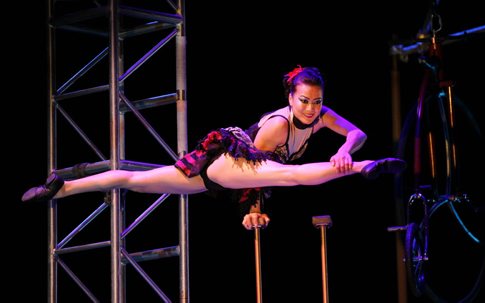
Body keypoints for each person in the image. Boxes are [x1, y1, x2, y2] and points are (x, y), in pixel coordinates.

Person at [22, 65, 406, 230]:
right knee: (293, 177)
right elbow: (259, 174)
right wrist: (252, 211)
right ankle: (363, 169)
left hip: (211, 181)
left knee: (133, 180)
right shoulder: (278, 126)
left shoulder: (322, 116)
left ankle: (63, 184)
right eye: (304, 101)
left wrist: (346, 149)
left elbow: (355, 132)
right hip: (231, 164)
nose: (311, 108)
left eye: (317, 102)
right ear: (290, 98)